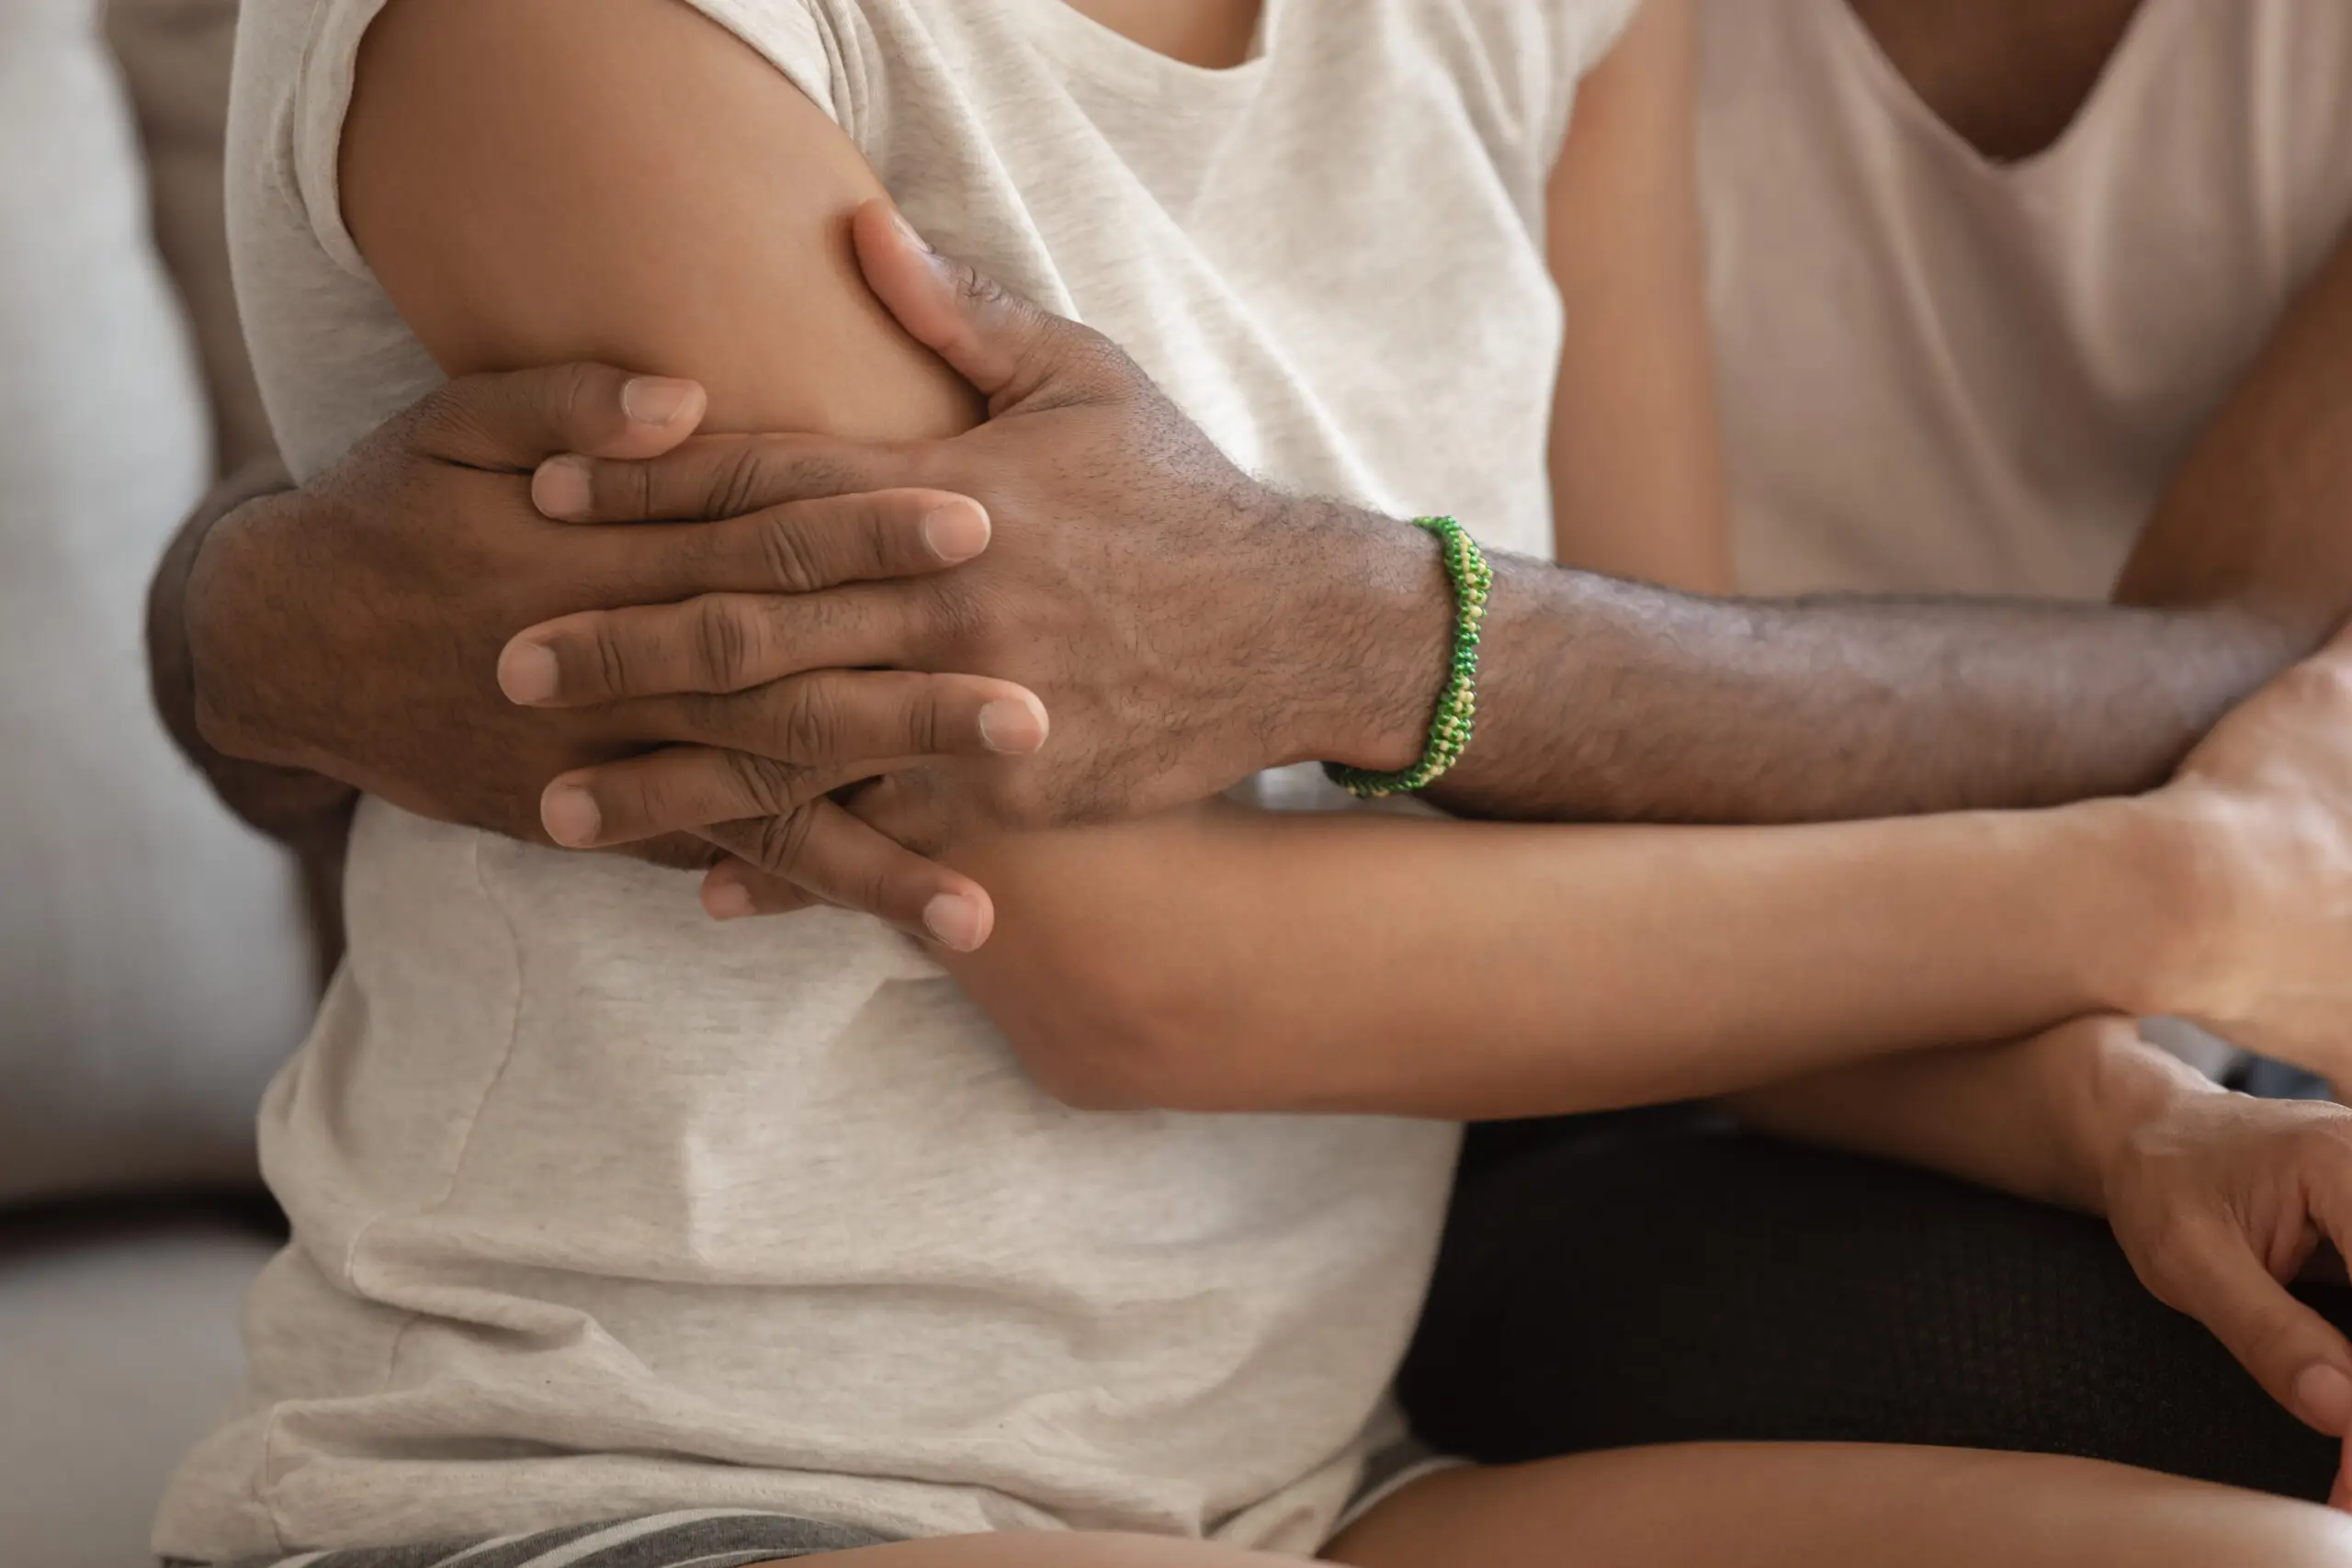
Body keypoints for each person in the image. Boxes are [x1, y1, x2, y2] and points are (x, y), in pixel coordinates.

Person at [147, 1, 2352, 1566]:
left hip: (1302, 1487)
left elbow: (1657, 854)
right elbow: (1140, 977)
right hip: (619, 1473)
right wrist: (2160, 895)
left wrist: (2109, 1109)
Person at [1398, 0, 2352, 1501]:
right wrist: (2177, 918)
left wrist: (2160, 1065)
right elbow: (1657, 865)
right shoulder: (1577, 36)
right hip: (1620, 1053)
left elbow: (2247, 643)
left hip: (2196, 1014)